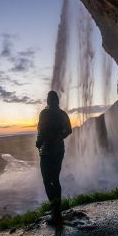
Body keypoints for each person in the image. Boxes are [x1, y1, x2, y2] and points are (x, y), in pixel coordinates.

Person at [36, 90, 72, 225]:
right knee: (54, 180)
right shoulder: (62, 114)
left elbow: (40, 131)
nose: (49, 101)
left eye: (50, 99)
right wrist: (58, 137)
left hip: (47, 151)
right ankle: (56, 210)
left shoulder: (44, 113)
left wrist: (39, 142)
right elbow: (68, 130)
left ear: (50, 101)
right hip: (57, 150)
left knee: (47, 180)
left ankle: (55, 210)